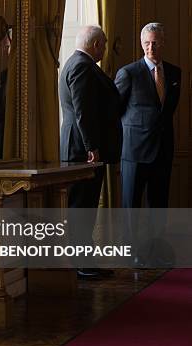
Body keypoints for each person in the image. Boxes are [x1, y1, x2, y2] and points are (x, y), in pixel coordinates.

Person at [59, 26, 122, 278]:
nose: (105, 49)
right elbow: (83, 111)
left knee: (84, 208)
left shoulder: (76, 63)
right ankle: (82, 265)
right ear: (96, 44)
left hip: (80, 147)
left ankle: (86, 262)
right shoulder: (82, 66)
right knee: (82, 209)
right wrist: (91, 147)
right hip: (82, 150)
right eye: (104, 44)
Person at [115, 23, 181, 209]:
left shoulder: (175, 73)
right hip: (134, 151)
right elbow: (115, 111)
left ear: (163, 43)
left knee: (159, 204)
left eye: (155, 43)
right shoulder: (128, 73)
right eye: (146, 43)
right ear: (141, 44)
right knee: (131, 207)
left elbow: (168, 109)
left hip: (163, 150)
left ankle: (156, 239)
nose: (150, 48)